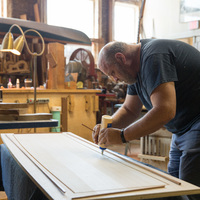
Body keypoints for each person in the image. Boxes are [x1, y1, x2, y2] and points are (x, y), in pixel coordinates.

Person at [92, 39, 200, 200]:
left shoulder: (153, 57)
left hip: (196, 122)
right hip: (182, 129)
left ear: (121, 58)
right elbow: (129, 109)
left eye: (113, 73)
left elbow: (165, 111)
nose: (114, 80)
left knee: (190, 191)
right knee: (173, 188)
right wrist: (107, 126)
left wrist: (122, 136)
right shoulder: (134, 71)